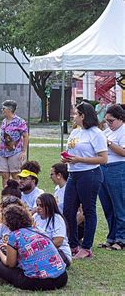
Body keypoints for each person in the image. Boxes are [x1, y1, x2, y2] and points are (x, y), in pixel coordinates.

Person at [62, 101, 107, 259]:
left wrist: (79, 159)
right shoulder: (75, 132)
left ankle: (86, 247)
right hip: (73, 174)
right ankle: (73, 244)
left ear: (83, 116)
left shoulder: (96, 133)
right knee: (68, 210)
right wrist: (67, 158)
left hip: (89, 174)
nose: (73, 116)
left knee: (88, 210)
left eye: (75, 114)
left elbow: (103, 159)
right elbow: (72, 151)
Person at [0, 205, 68, 291]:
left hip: (38, 282)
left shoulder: (14, 236)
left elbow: (10, 264)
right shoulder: (37, 229)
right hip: (62, 278)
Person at [98, 104, 125, 250]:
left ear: (120, 119)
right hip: (103, 168)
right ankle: (111, 236)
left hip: (118, 168)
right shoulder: (107, 131)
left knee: (119, 205)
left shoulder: (123, 131)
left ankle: (122, 238)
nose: (109, 123)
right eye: (107, 120)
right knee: (107, 206)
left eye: (111, 120)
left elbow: (123, 152)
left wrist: (108, 142)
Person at [0, 100, 28, 186]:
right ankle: (5, 195)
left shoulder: (20, 121)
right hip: (3, 152)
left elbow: (25, 136)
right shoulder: (4, 121)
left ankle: (16, 195)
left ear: (9, 110)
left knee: (15, 175)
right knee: (4, 175)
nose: (2, 110)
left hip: (15, 152)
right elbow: (3, 137)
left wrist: (23, 151)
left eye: (3, 108)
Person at [34, 193, 72, 266]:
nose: (38, 208)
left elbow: (58, 242)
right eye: (37, 205)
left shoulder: (57, 219)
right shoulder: (35, 217)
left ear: (49, 206)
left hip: (59, 253)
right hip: (39, 251)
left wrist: (39, 251)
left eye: (41, 206)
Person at [51, 162, 85, 242]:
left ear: (59, 175)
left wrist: (68, 227)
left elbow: (83, 214)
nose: (50, 177)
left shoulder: (70, 189)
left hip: (73, 227)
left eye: (52, 174)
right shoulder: (57, 188)